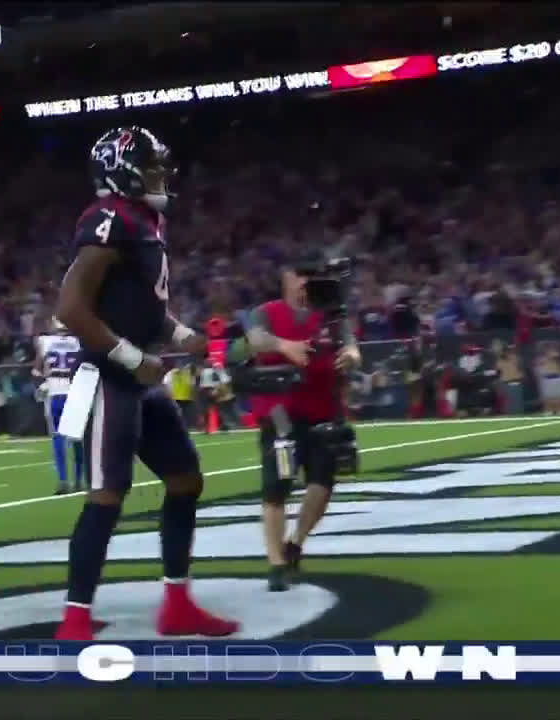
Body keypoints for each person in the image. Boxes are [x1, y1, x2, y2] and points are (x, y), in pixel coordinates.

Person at [53, 126, 237, 641]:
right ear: (121, 170)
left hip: (141, 375)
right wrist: (132, 357)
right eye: (151, 166)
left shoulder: (144, 220)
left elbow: (144, 305)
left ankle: (177, 604)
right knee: (107, 495)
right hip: (109, 375)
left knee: (185, 479)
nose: (160, 175)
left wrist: (184, 334)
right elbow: (70, 309)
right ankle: (75, 620)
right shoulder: (107, 218)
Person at [243, 251, 361, 591]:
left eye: (314, 275)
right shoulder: (266, 312)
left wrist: (351, 356)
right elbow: (255, 339)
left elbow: (351, 346)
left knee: (323, 483)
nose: (308, 281)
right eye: (303, 274)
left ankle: (295, 541)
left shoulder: (332, 315)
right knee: (277, 484)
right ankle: (276, 563)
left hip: (324, 410)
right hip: (279, 413)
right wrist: (285, 346)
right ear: (288, 279)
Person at [32, 317, 84, 494]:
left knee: (58, 438)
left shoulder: (44, 341)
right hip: (75, 392)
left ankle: (63, 480)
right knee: (77, 439)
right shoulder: (77, 342)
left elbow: (36, 370)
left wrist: (41, 382)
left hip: (55, 393)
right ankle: (79, 480)